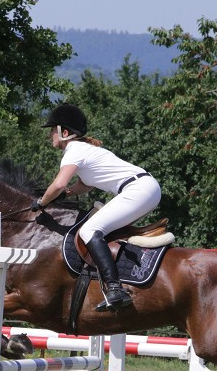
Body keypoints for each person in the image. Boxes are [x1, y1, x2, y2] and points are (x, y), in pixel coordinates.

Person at [33, 103, 162, 312]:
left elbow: (58, 184)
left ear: (64, 132)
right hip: (145, 188)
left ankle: (114, 288)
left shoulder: (74, 150)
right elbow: (85, 184)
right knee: (103, 230)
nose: (50, 136)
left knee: (89, 230)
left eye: (52, 131)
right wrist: (68, 194)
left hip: (138, 189)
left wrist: (42, 202)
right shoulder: (86, 149)